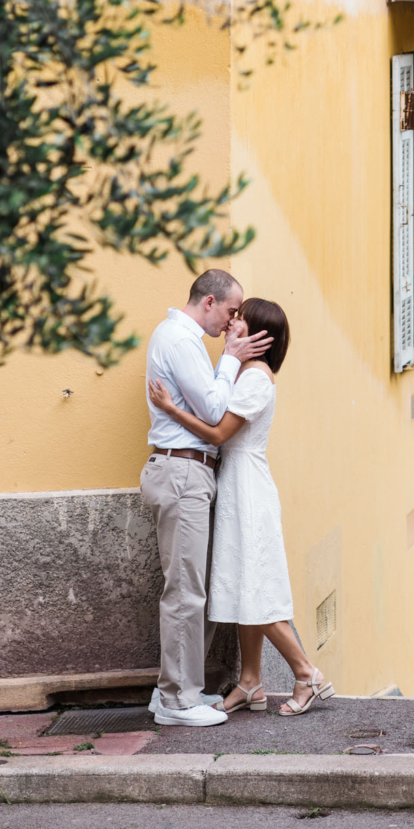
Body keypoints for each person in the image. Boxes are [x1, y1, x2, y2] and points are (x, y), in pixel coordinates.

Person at [148, 296, 334, 717]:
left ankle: (307, 674)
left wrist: (169, 408)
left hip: (246, 486)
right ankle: (251, 682)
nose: (230, 325)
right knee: (239, 582)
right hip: (233, 481)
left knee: (252, 587)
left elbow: (217, 434)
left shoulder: (255, 378)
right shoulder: (242, 372)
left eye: (239, 321)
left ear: (256, 335)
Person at [140, 268, 270, 728]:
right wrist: (233, 358)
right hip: (182, 471)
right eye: (231, 311)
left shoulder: (183, 339)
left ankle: (172, 691)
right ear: (209, 302)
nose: (232, 324)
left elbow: (207, 404)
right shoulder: (180, 339)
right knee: (186, 592)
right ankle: (178, 701)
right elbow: (214, 409)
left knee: (196, 588)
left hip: (190, 472)